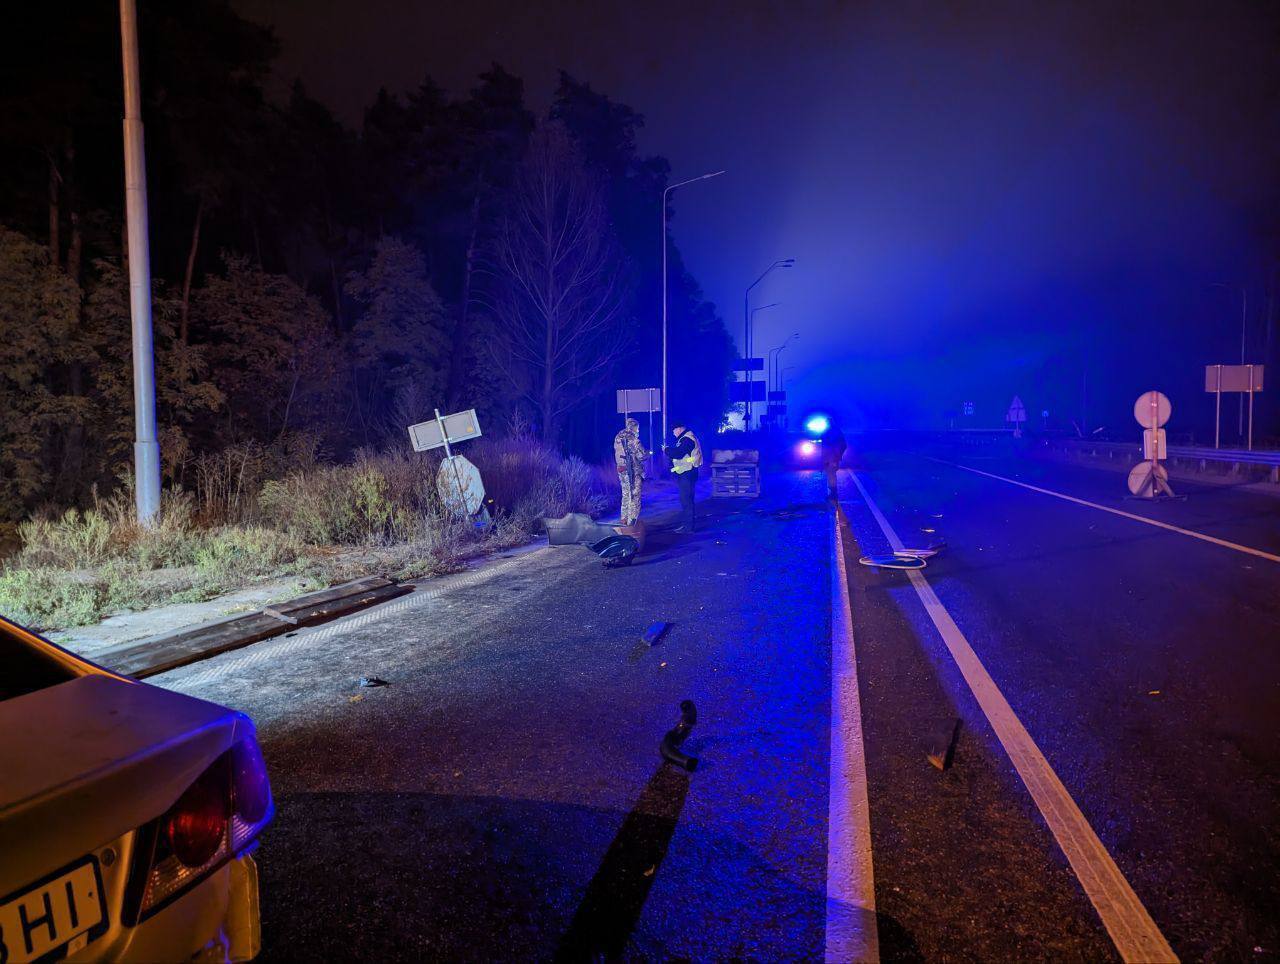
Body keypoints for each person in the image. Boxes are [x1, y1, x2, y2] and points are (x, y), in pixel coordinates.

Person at [664, 421, 703, 532]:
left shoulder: (687, 439)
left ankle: (688, 527)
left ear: (680, 429)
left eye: (674, 430)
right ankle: (687, 525)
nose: (673, 433)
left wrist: (666, 450)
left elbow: (678, 453)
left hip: (688, 473)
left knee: (687, 500)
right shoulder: (685, 438)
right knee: (686, 500)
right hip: (686, 472)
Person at [613, 417, 646, 525]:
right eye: (638, 428)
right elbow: (642, 455)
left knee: (626, 494)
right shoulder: (633, 440)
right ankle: (632, 521)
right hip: (633, 470)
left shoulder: (618, 437)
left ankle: (623, 519)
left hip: (621, 470)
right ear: (634, 427)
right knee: (635, 496)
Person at [820, 422, 847, 499]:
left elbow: (823, 441)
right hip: (833, 457)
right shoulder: (837, 432)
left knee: (831, 475)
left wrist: (836, 456)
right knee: (831, 475)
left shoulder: (828, 433)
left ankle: (833, 494)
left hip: (831, 457)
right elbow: (844, 445)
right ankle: (833, 493)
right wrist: (839, 456)